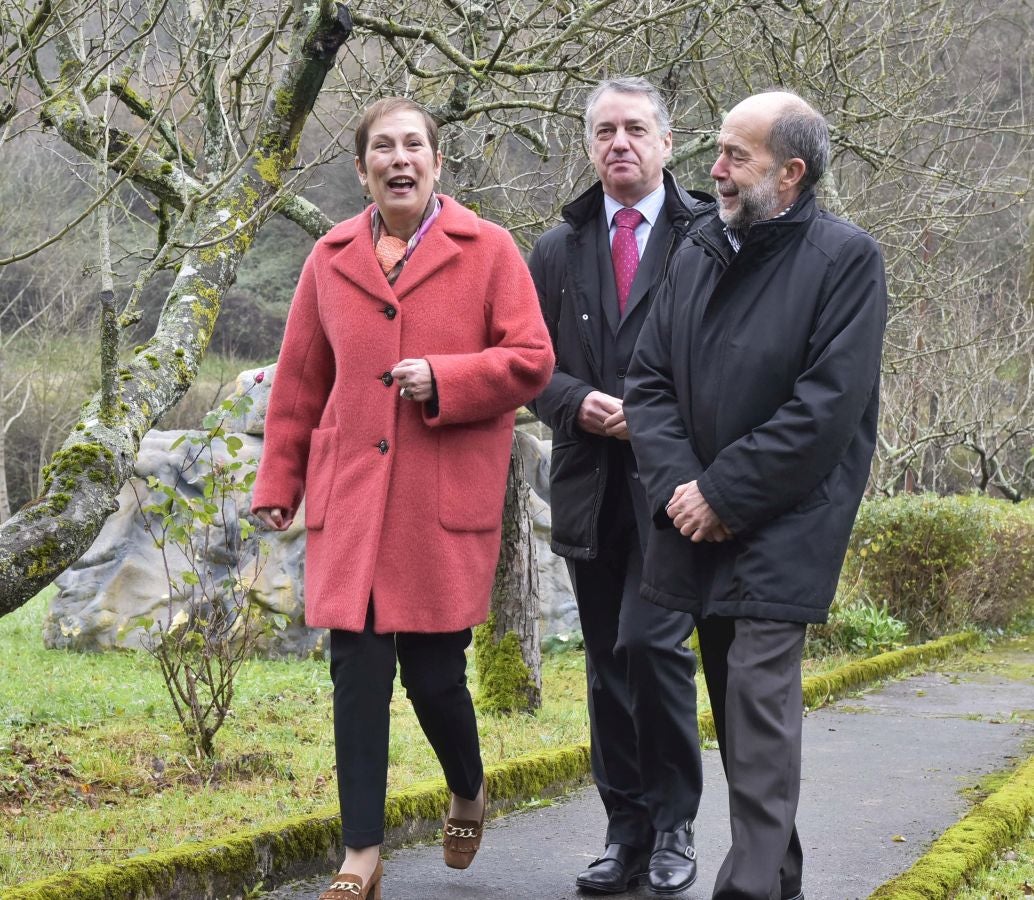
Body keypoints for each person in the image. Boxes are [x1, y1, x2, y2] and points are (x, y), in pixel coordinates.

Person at [251, 97, 554, 900]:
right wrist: (278, 482)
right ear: (361, 169)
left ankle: (467, 785)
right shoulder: (331, 256)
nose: (399, 159)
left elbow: (531, 360)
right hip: (351, 500)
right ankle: (361, 856)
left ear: (436, 161)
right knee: (356, 672)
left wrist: (445, 377)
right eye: (382, 147)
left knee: (433, 677)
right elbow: (300, 380)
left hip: (437, 504)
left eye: (413, 145)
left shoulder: (488, 250)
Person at [624, 90, 888, 900]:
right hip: (695, 518)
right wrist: (683, 489)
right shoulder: (702, 245)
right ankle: (781, 883)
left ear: (793, 172)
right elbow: (649, 379)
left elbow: (826, 412)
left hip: (787, 520)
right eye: (719, 151)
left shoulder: (847, 260)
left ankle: (745, 891)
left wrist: (725, 493)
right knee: (742, 723)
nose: (716, 170)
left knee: (760, 709)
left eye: (737, 155)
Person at [528, 77, 716, 895]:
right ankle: (624, 831)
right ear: (589, 143)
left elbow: (734, 360)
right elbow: (531, 368)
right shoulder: (557, 248)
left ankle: (675, 824)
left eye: (636, 130)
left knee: (652, 647)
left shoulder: (712, 236)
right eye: (604, 131)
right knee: (606, 659)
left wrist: (663, 418)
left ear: (668, 143)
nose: (619, 145)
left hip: (678, 489)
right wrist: (577, 404)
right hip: (590, 486)